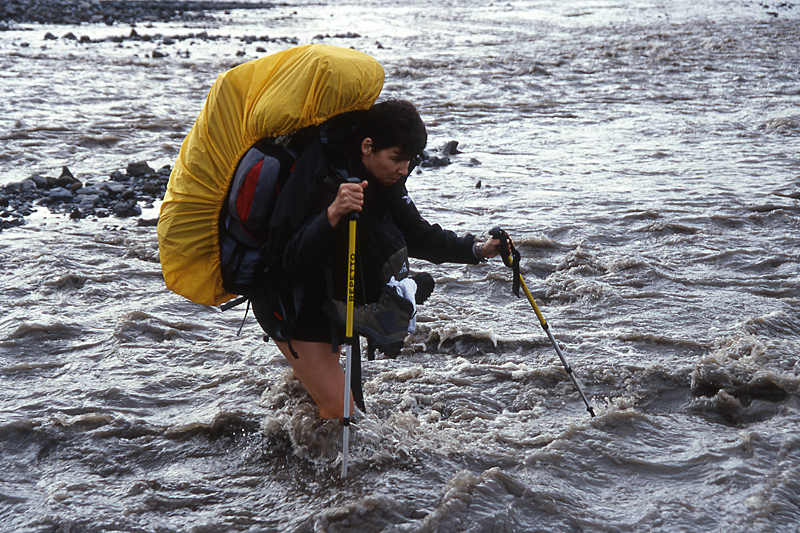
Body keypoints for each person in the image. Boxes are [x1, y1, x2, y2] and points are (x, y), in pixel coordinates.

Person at [226, 99, 501, 420]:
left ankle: (295, 433)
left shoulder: (387, 179)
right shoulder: (316, 174)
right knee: (343, 414)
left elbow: (419, 236)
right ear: (367, 146)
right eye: (397, 159)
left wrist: (478, 250)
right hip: (289, 300)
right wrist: (332, 214)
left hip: (332, 296)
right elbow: (285, 257)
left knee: (318, 396)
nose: (404, 170)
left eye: (410, 161)